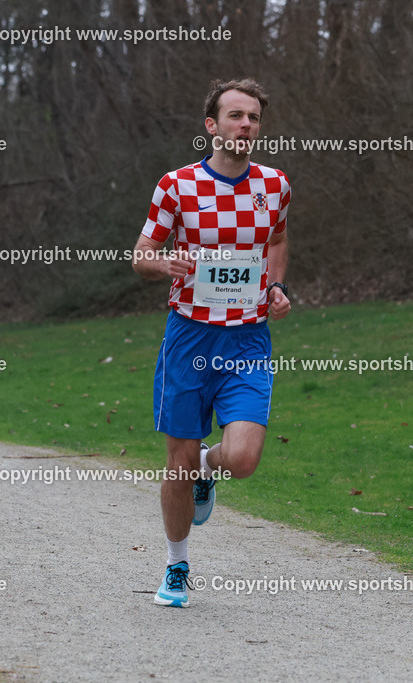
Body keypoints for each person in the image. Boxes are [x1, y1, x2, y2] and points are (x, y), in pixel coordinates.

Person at [131, 77, 291, 607]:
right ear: (212, 125)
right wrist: (164, 262)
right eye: (235, 116)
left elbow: (279, 240)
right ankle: (176, 565)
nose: (246, 125)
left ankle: (209, 468)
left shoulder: (275, 185)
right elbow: (141, 255)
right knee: (177, 460)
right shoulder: (177, 185)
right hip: (189, 336)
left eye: (253, 118)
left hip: (247, 339)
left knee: (242, 458)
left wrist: (276, 288)